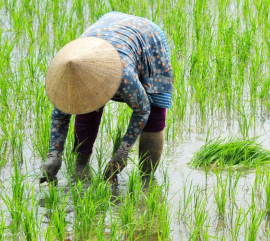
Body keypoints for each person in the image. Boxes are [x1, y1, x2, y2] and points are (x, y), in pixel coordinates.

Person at [40, 12, 173, 184]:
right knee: (86, 107)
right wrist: (54, 155)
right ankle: (81, 168)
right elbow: (60, 116)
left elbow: (143, 109)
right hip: (101, 34)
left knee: (155, 110)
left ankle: (146, 181)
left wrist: (122, 153)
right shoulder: (66, 75)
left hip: (147, 37)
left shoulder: (124, 74)